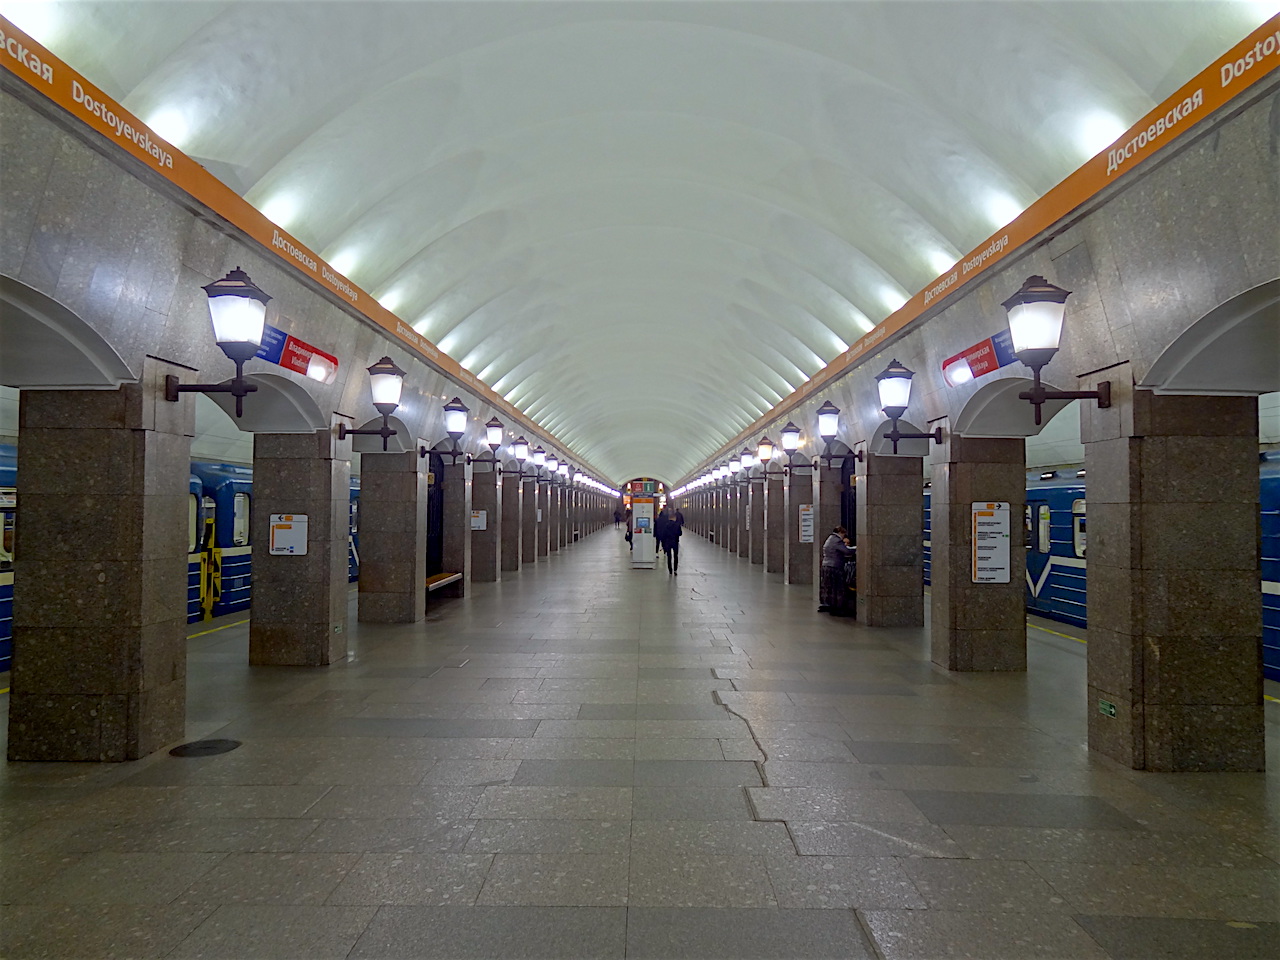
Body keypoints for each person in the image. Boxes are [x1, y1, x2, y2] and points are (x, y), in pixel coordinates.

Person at [819, 525, 855, 613]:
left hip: (826, 565)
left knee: (828, 587)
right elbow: (846, 551)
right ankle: (837, 606)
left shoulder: (830, 539)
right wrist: (856, 549)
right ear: (840, 533)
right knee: (838, 587)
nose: (844, 537)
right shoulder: (837, 541)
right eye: (844, 535)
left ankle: (827, 604)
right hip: (835, 566)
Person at [656, 506, 682, 575]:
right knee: (675, 556)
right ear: (674, 518)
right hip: (675, 542)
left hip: (668, 542)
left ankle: (670, 570)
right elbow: (680, 533)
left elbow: (664, 534)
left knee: (669, 556)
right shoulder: (677, 525)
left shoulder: (666, 526)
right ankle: (675, 569)